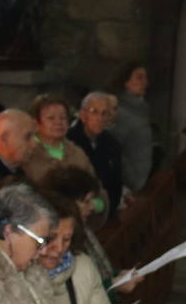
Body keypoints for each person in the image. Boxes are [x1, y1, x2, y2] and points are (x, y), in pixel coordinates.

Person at [20, 95, 102, 209]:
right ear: (36, 123)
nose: (58, 122)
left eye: (63, 118)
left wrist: (95, 205)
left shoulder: (77, 152)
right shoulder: (28, 154)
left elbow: (97, 189)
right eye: (51, 118)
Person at [65, 92, 124, 218]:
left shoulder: (112, 144)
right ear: (83, 114)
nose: (100, 118)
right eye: (94, 112)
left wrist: (107, 208)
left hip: (106, 210)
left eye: (104, 113)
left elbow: (116, 184)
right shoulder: (69, 141)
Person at [110, 63, 154, 193]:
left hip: (142, 180)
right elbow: (115, 149)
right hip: (131, 185)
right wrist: (132, 179)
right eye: (139, 78)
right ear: (126, 82)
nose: (145, 82)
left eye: (145, 78)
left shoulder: (141, 110)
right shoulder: (120, 112)